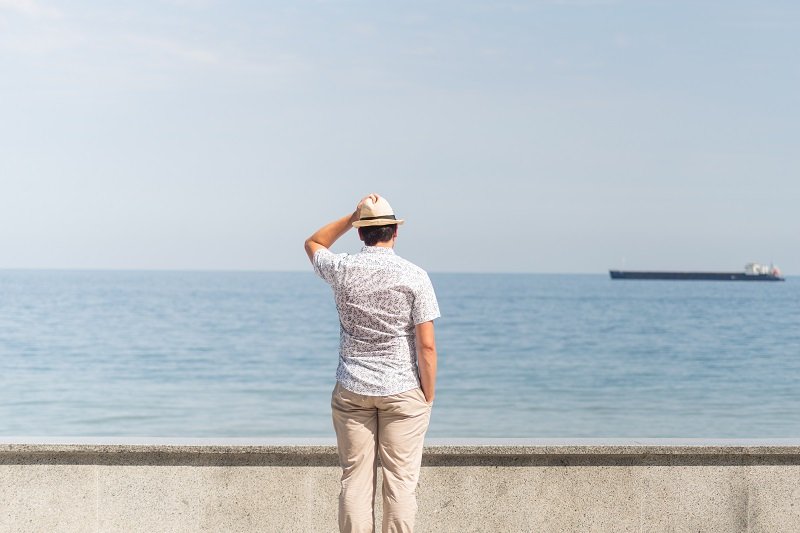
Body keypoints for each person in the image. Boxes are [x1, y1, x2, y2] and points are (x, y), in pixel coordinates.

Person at [304, 193, 440, 533]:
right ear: (395, 231)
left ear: (360, 233)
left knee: (355, 480)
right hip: (403, 389)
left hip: (352, 388)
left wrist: (353, 216)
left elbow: (314, 242)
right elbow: (426, 345)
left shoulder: (342, 268)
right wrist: (428, 395)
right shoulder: (415, 276)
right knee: (401, 483)